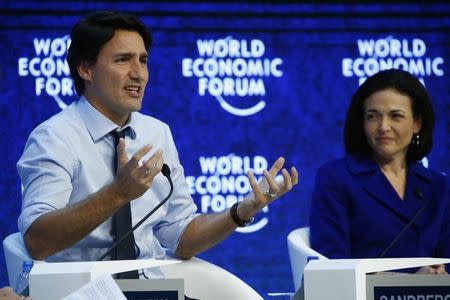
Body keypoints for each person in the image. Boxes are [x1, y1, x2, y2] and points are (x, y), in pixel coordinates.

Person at [16, 10, 298, 279]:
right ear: (85, 69)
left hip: (151, 288)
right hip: (79, 290)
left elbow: (183, 237)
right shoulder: (55, 137)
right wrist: (117, 193)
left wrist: (242, 211)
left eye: (143, 60)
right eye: (123, 60)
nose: (138, 73)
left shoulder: (156, 133)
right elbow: (37, 242)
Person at [309, 69, 449, 274]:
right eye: (372, 116)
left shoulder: (439, 186)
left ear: (417, 124)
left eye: (396, 116)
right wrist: (409, 284)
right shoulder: (336, 179)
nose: (383, 127)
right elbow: (333, 266)